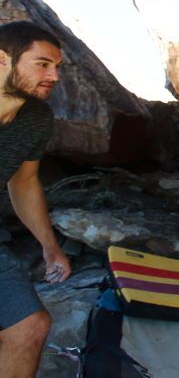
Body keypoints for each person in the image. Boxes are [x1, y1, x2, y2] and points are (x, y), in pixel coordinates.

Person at [0, 21, 71, 377]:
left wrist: (49, 246)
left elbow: (24, 181)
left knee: (29, 326)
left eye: (57, 67)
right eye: (42, 64)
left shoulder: (36, 118)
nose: (54, 76)